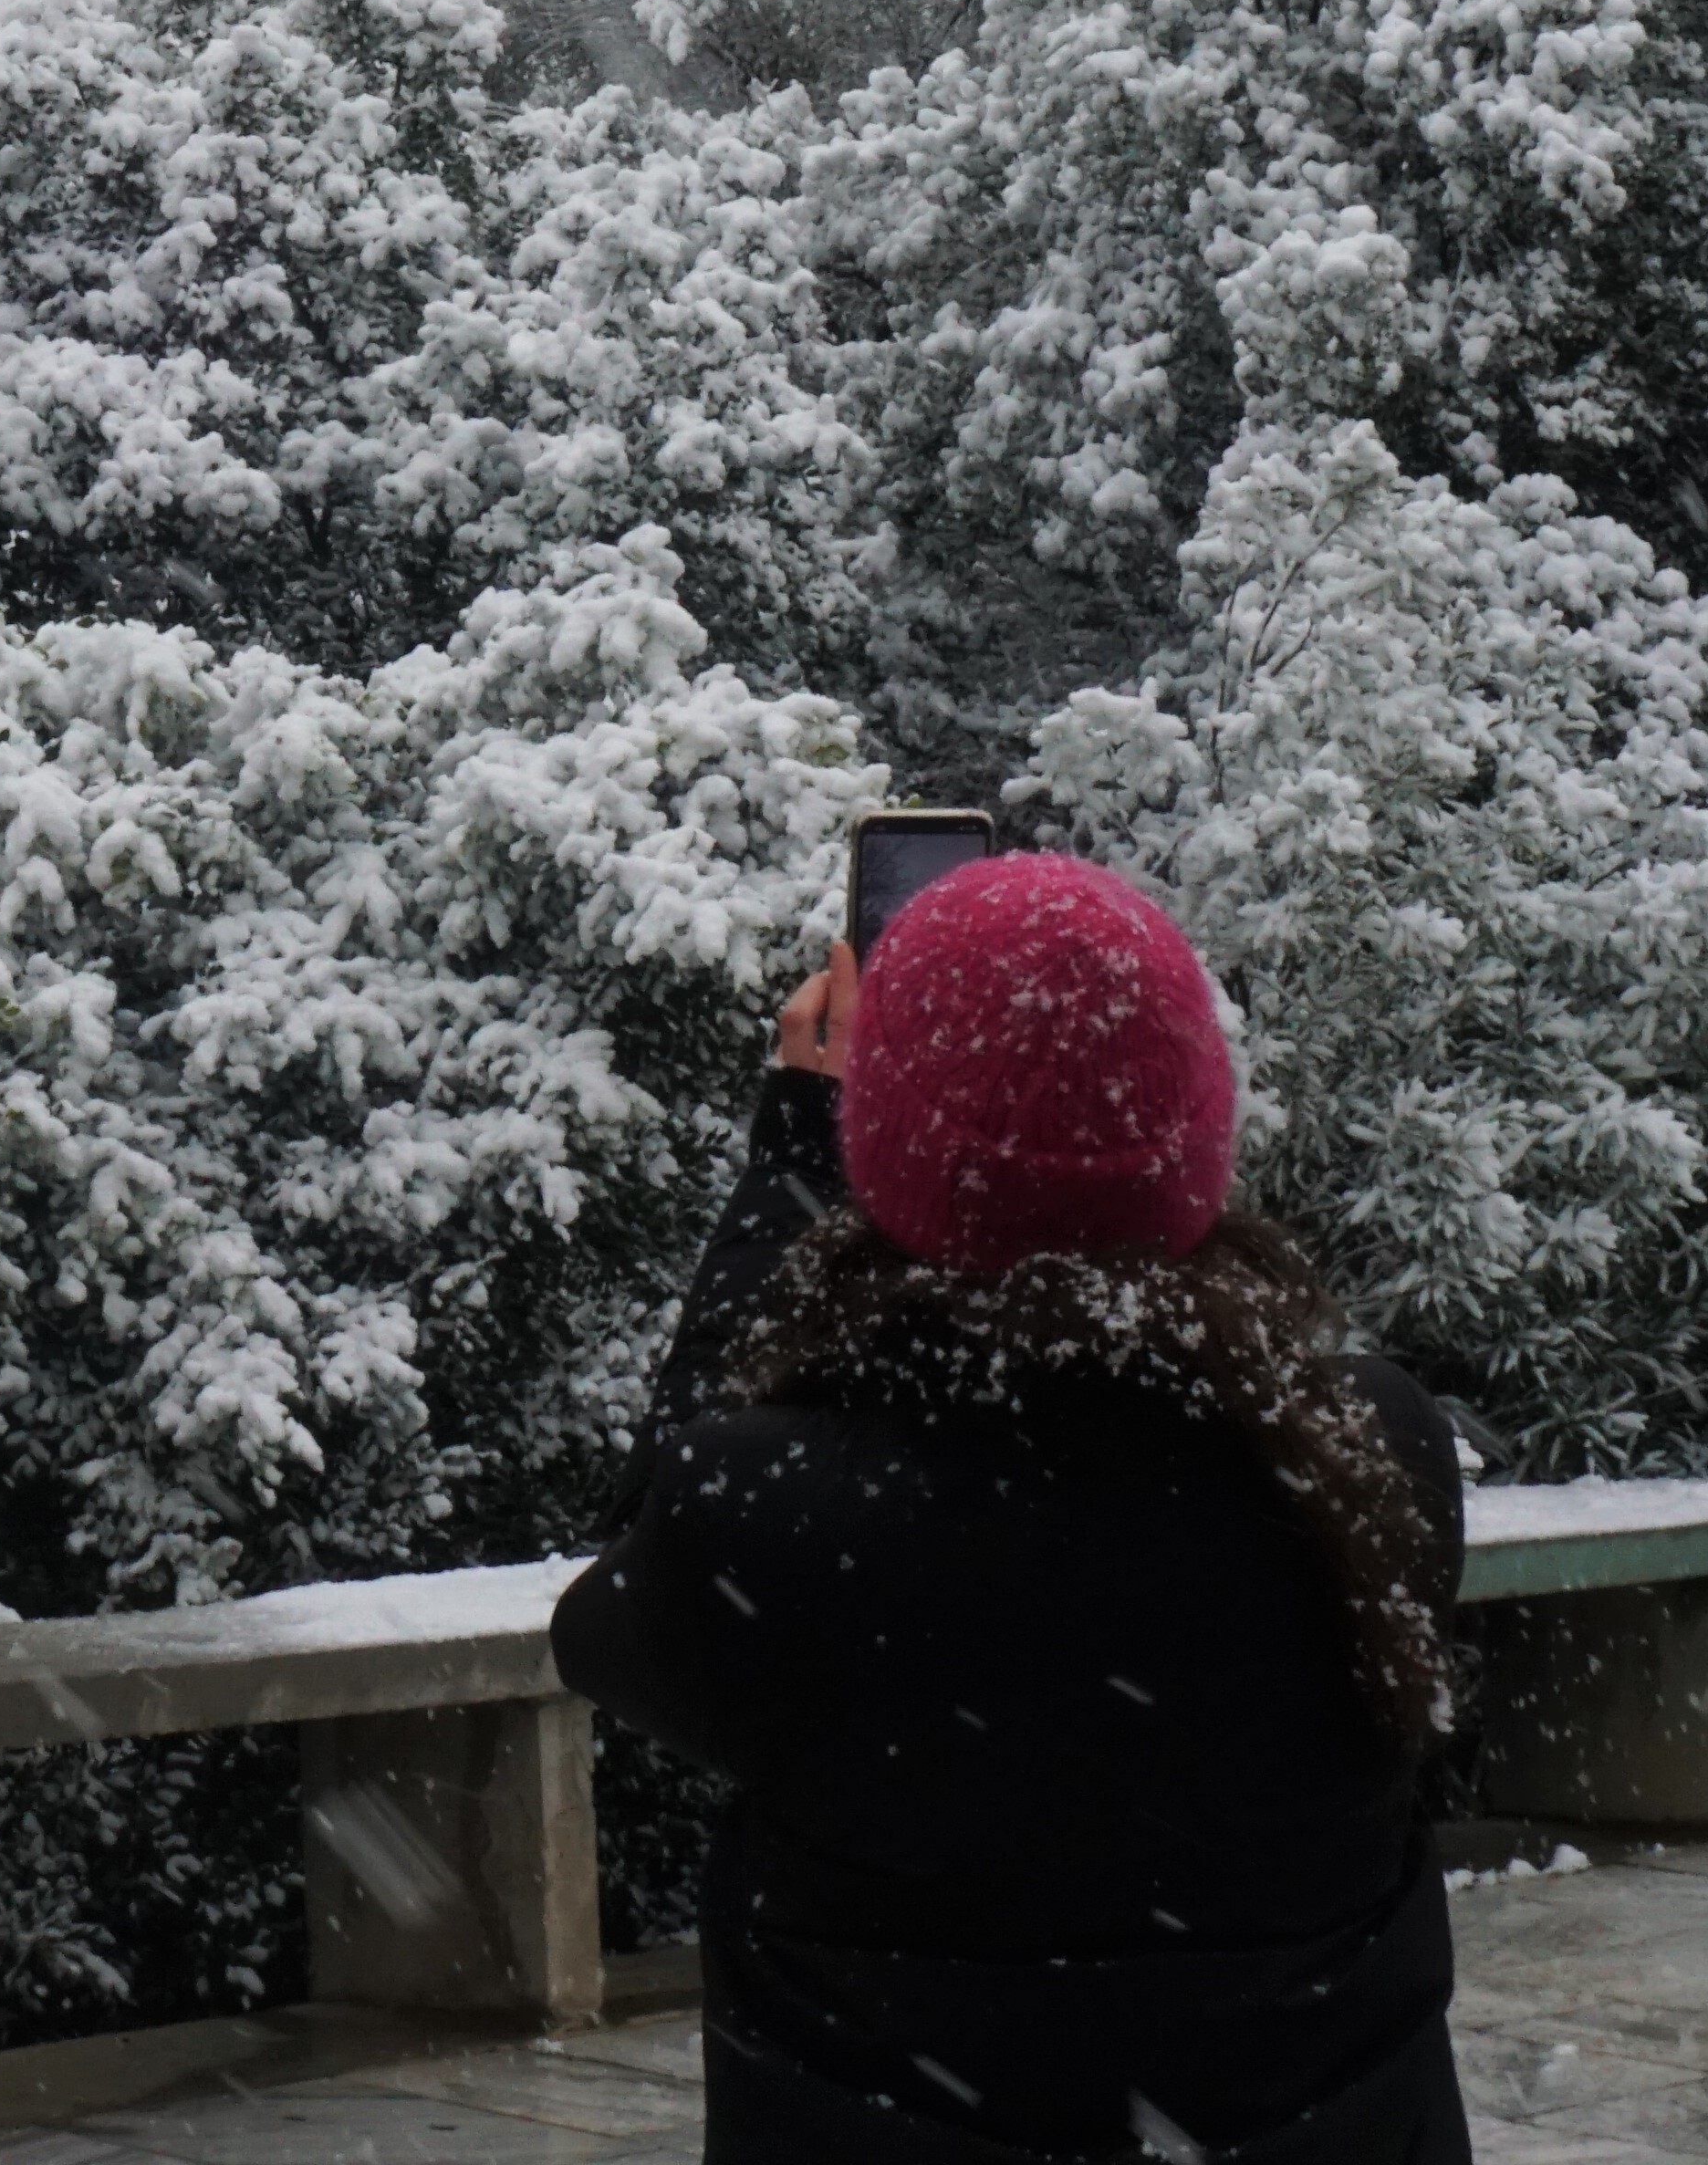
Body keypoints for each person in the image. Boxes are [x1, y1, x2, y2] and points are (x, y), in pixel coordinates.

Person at [556, 854, 1472, 2162]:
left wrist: (790, 1163)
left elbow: (619, 1620)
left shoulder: (768, 1511)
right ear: (1195, 1134)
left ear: (890, 1148)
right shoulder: (1366, 1450)